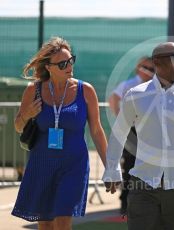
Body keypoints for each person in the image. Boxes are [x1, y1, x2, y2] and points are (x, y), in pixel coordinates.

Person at [102, 42, 174, 230]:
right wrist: (112, 169)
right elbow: (118, 133)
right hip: (143, 184)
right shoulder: (135, 95)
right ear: (157, 62)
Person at [12, 37, 107, 230]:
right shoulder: (33, 90)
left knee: (63, 220)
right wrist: (27, 114)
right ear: (48, 67)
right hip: (42, 163)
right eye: (62, 63)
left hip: (74, 164)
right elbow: (18, 127)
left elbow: (96, 130)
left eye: (71, 60)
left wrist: (111, 168)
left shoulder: (85, 90)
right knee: (45, 223)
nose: (69, 66)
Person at [108, 56, 154, 214]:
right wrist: (121, 119)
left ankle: (145, 203)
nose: (148, 71)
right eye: (145, 67)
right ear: (138, 68)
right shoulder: (129, 84)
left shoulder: (155, 85)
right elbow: (113, 98)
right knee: (129, 166)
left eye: (152, 68)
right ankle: (125, 203)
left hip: (148, 131)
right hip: (133, 130)